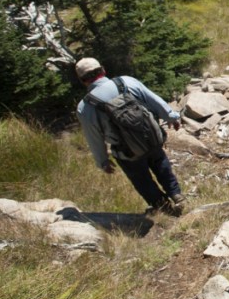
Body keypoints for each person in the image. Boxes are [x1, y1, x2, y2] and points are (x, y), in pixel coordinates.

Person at [75, 57, 187, 216]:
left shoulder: (85, 107)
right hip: (150, 137)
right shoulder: (126, 82)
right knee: (160, 163)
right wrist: (171, 116)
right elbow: (153, 100)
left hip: (126, 151)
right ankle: (176, 194)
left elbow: (94, 138)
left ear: (82, 80)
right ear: (103, 70)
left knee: (141, 179)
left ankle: (163, 207)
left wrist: (103, 161)